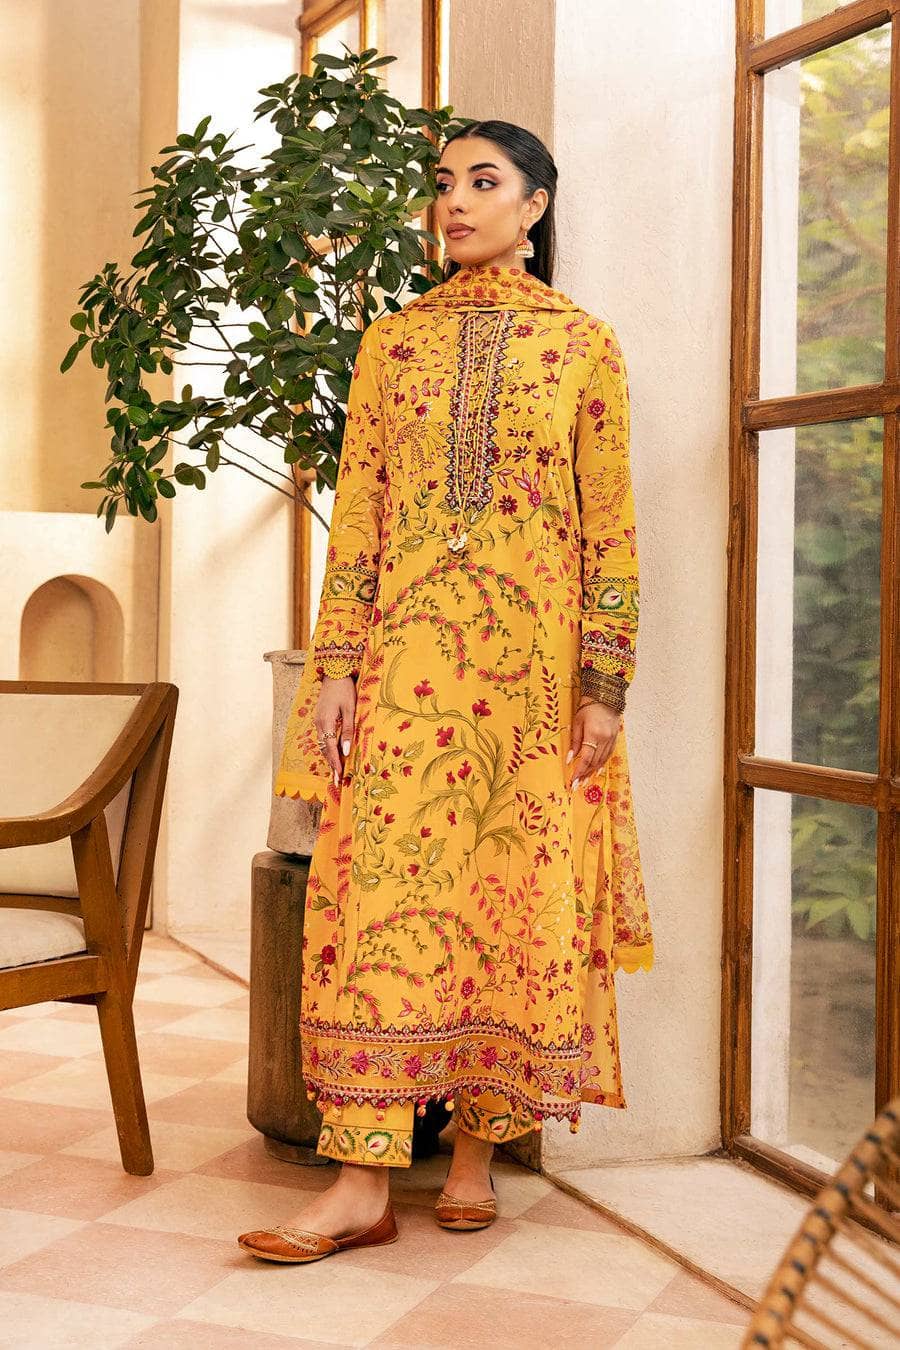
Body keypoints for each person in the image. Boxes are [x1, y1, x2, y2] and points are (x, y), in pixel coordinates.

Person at [238, 118, 654, 1264]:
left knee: (510, 901)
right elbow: (359, 528)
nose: (456, 202)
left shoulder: (585, 347)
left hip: (531, 686)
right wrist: (333, 672)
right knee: (378, 906)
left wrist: (603, 682)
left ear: (534, 207)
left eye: (486, 183)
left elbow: (611, 535)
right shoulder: (393, 347)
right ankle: (361, 1179)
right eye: (444, 184)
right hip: (408, 677)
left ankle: (476, 1154)